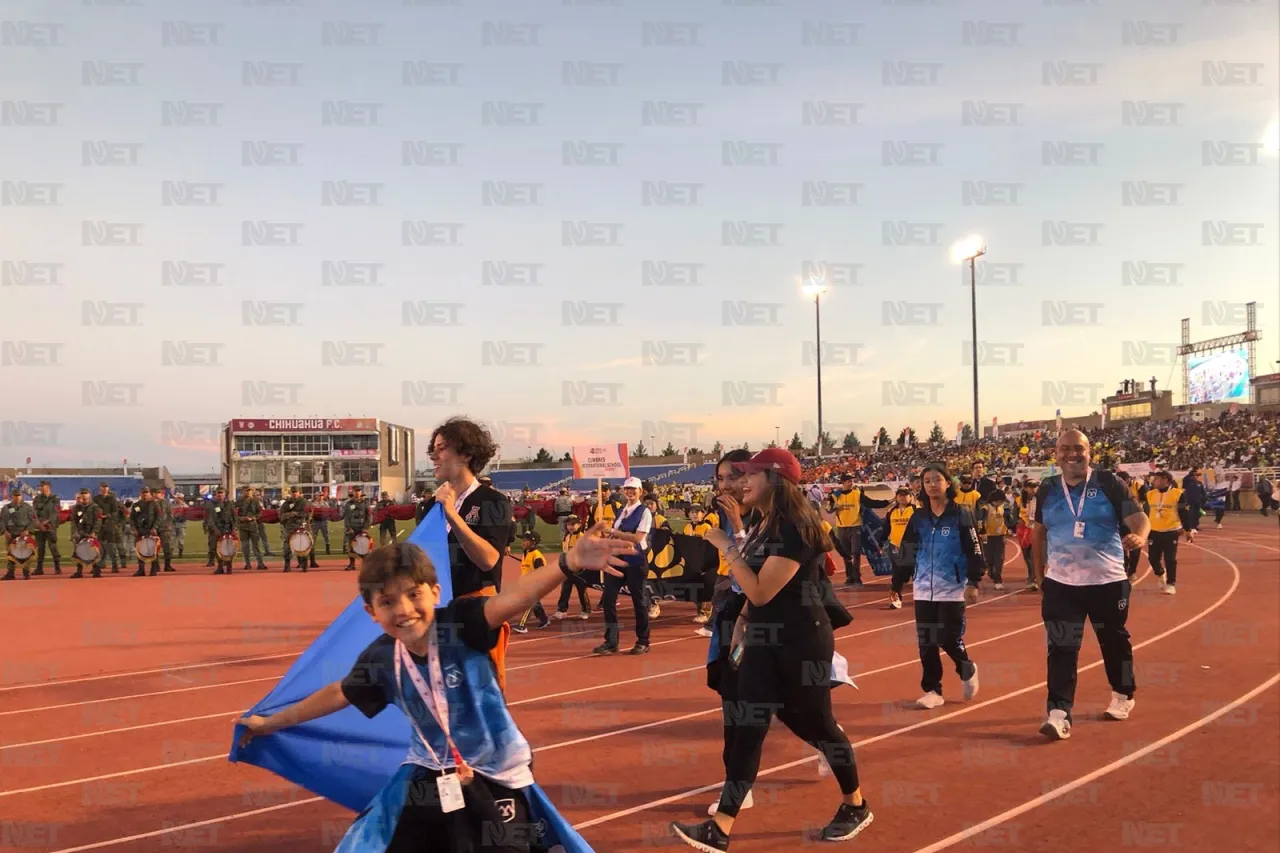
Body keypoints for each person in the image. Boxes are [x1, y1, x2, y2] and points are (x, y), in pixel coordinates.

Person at [235, 533, 637, 853]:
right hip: (429, 769)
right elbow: (339, 694)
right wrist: (270, 723)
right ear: (370, 611)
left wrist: (567, 562)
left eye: (413, 594)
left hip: (497, 773)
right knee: (371, 842)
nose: (404, 609)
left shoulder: (463, 623)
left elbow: (513, 599)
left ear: (435, 591)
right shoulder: (381, 659)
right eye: (387, 602)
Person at [671, 448, 871, 851]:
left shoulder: (796, 526)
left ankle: (856, 804)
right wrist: (742, 630)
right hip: (763, 640)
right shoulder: (765, 523)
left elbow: (762, 590)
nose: (742, 483)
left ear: (775, 480)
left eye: (751, 476)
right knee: (748, 728)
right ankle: (721, 828)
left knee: (819, 726)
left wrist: (726, 545)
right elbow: (752, 594)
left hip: (801, 643)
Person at [1032, 429, 1150, 741]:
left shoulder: (1109, 483)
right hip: (1061, 584)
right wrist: (1039, 575)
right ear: (1056, 454)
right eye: (1065, 449)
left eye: (1079, 449)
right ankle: (1059, 713)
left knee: (1113, 642)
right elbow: (1039, 532)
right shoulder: (1046, 488)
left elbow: (1139, 519)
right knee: (1061, 647)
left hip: (1107, 582)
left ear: (1089, 452)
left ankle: (1123, 693)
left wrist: (1141, 536)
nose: (1072, 455)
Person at [418, 417, 515, 689]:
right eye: (433, 448)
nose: (433, 455)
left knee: (483, 697)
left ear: (467, 454)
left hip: (477, 613)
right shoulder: (429, 508)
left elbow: (488, 559)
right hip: (439, 612)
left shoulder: (492, 502)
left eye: (442, 448)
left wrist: (453, 514)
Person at [891, 462, 984, 709]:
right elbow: (908, 550)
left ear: (947, 483)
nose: (932, 485)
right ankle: (933, 689)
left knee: (948, 637)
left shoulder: (961, 514)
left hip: (952, 586)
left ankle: (966, 666)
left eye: (937, 479)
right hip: (923, 587)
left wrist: (974, 581)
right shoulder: (918, 517)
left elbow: (974, 549)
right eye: (927, 481)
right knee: (927, 640)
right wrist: (898, 581)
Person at [592, 476, 653, 656]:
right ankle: (611, 641)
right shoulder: (621, 511)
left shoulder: (644, 512)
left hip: (635, 561)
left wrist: (613, 532)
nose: (630, 492)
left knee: (639, 602)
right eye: (627, 489)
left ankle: (643, 640)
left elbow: (637, 538)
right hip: (617, 560)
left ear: (640, 491)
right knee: (609, 600)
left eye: (633, 489)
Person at [1143, 470, 1186, 596]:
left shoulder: (1178, 494)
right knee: (1153, 558)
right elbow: (1146, 513)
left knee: (1170, 559)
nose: (1153, 481)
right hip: (1154, 530)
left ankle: (1171, 584)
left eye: (1156, 479)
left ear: (1165, 479)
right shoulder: (1150, 494)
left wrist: (1188, 529)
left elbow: (1183, 512)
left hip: (1171, 531)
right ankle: (1160, 573)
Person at [510, 531, 551, 634]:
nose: (522, 542)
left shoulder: (536, 555)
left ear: (533, 542)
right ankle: (544, 620)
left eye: (525, 540)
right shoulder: (526, 552)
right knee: (535, 603)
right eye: (522, 540)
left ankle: (522, 625)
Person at [552, 515, 591, 620]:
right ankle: (562, 610)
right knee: (565, 589)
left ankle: (585, 610)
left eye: (573, 524)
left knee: (581, 590)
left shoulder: (582, 537)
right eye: (568, 524)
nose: (570, 527)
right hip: (568, 568)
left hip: (579, 569)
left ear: (579, 524)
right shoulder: (567, 536)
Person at [976, 489, 1015, 591]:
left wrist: (1009, 527)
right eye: (1001, 500)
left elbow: (1007, 520)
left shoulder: (1003, 507)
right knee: (989, 558)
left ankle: (998, 580)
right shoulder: (985, 508)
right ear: (995, 500)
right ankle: (991, 571)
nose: (1002, 502)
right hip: (988, 537)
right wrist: (982, 532)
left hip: (1000, 536)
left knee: (1000, 558)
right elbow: (980, 521)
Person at [884, 487, 916, 610]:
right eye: (900, 495)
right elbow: (887, 528)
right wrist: (881, 541)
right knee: (897, 573)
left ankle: (920, 597)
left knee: (916, 573)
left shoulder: (916, 511)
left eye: (905, 495)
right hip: (895, 547)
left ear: (910, 497)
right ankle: (896, 598)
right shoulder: (891, 511)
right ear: (896, 497)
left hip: (912, 547)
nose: (903, 497)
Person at [32, 480, 61, 576]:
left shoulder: (55, 498)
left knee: (53, 547)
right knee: (40, 548)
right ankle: (39, 568)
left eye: (42, 486)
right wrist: (39, 524)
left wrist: (46, 522)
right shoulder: (37, 498)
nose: (41, 488)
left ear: (48, 487)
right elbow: (34, 513)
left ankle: (57, 567)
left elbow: (55, 513)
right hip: (39, 527)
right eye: (40, 486)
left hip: (50, 526)